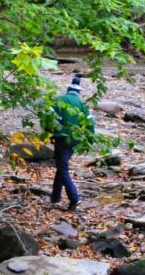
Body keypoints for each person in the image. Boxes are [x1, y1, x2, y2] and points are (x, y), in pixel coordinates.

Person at [49, 75, 94, 210]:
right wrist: (89, 140)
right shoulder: (83, 105)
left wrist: (50, 132)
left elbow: (48, 118)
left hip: (61, 137)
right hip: (75, 139)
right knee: (61, 165)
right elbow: (90, 124)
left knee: (62, 167)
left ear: (68, 90)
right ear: (79, 93)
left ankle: (74, 198)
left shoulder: (58, 100)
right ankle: (55, 197)